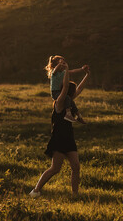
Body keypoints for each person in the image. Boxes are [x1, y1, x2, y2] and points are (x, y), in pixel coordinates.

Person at [29, 62, 90, 198]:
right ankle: (36, 190)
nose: (75, 94)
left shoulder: (69, 100)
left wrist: (87, 75)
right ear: (66, 91)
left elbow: (79, 89)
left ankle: (75, 195)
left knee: (76, 167)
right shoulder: (60, 101)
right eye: (71, 92)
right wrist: (67, 70)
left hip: (69, 138)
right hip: (59, 139)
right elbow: (67, 86)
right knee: (55, 169)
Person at [44, 55, 87, 123]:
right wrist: (60, 63)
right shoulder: (54, 72)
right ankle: (68, 114)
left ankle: (79, 116)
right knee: (66, 97)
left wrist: (82, 69)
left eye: (64, 63)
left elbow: (73, 71)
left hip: (61, 91)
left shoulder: (64, 72)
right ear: (56, 65)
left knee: (70, 100)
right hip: (55, 92)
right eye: (61, 64)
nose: (63, 65)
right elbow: (56, 69)